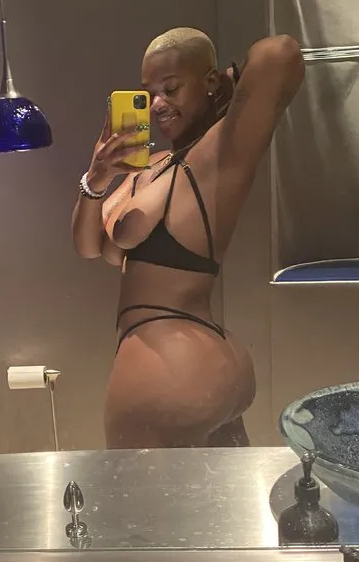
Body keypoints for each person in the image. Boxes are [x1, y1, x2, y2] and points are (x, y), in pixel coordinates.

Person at [72, 27, 305, 448]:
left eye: (171, 88)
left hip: (169, 362)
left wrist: (228, 84)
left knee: (139, 492)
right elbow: (90, 247)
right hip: (200, 360)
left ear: (209, 81)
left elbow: (279, 54)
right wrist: (96, 177)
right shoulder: (151, 166)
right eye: (149, 94)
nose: (158, 104)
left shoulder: (215, 153)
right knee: (225, 494)